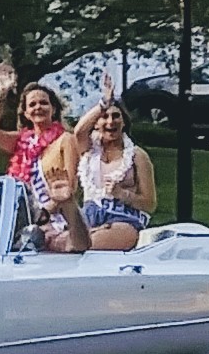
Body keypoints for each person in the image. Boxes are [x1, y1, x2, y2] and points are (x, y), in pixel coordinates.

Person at [44, 73, 157, 249]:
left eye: (116, 116)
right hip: (88, 218)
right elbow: (79, 131)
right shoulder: (88, 149)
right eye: (104, 117)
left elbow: (150, 204)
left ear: (124, 122)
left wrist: (122, 194)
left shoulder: (137, 156)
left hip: (122, 220)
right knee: (54, 244)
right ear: (95, 123)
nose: (110, 121)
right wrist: (104, 103)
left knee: (85, 246)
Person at [0, 58, 72, 203]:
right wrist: (2, 93)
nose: (38, 107)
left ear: (54, 109)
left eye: (44, 103)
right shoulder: (21, 140)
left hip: (56, 213)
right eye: (32, 104)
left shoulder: (65, 139)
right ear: (26, 113)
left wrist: (48, 211)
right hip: (24, 209)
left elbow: (71, 185)